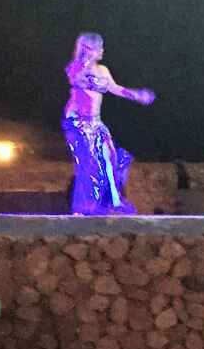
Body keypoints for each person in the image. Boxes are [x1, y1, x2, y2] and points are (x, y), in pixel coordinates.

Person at [62, 32, 155, 215]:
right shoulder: (75, 67)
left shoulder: (103, 70)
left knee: (110, 158)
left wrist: (137, 95)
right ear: (87, 49)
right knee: (90, 164)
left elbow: (115, 88)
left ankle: (114, 200)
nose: (102, 51)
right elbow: (76, 79)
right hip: (77, 122)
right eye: (97, 48)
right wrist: (86, 60)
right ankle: (84, 208)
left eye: (101, 47)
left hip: (95, 122)